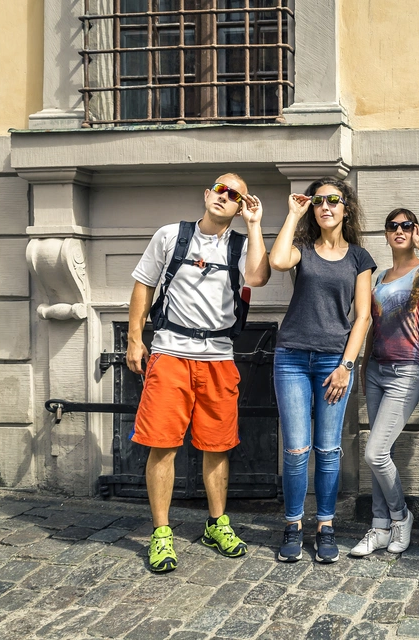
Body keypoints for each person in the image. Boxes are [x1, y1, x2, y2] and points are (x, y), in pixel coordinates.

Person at [127, 174, 271, 573]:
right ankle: (161, 533)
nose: (226, 197)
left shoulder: (241, 245)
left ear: (241, 207)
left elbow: (258, 277)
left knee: (217, 445)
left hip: (219, 357)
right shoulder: (171, 235)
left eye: (236, 196)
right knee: (162, 443)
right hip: (170, 352)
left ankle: (216, 524)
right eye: (221, 190)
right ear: (207, 195)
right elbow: (144, 284)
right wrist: (135, 339)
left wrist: (255, 224)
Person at [269, 177, 376, 564]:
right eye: (318, 201)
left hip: (335, 361)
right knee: (297, 449)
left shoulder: (359, 258)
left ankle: (326, 525)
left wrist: (347, 366)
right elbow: (277, 262)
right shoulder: (301, 249)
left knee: (328, 450)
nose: (326, 206)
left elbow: (362, 317)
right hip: (293, 357)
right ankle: (293, 524)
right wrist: (293, 214)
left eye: (334, 200)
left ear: (346, 207)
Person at [351, 208, 419, 557]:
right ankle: (378, 527)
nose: (400, 230)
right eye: (393, 226)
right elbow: (373, 324)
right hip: (376, 369)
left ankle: (401, 516)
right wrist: (363, 366)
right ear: (386, 233)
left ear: (414, 230)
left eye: (407, 225)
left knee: (375, 453)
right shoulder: (380, 277)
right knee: (380, 452)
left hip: (407, 370)